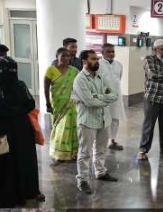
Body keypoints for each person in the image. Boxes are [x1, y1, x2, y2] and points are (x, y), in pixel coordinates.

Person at [0, 57, 44, 206]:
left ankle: (30, 190)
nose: (12, 73)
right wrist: (19, 109)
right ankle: (11, 195)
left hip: (23, 129)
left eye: (14, 69)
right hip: (5, 130)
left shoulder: (20, 84)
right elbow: (0, 109)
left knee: (27, 159)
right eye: (8, 70)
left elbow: (31, 103)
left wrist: (15, 110)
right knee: (9, 163)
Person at [72, 50, 119, 194]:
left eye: (97, 59)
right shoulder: (80, 79)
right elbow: (89, 102)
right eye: (93, 59)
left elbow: (114, 95)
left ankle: (100, 172)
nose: (97, 61)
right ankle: (82, 180)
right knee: (85, 152)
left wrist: (98, 96)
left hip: (104, 119)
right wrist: (104, 99)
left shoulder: (100, 76)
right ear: (84, 61)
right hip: (87, 120)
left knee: (101, 149)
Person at [137, 39, 163, 161]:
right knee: (149, 126)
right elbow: (153, 75)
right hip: (153, 99)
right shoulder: (149, 60)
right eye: (162, 49)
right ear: (155, 50)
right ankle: (142, 150)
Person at [45, 47, 79, 162]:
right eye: (63, 55)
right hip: (57, 102)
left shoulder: (74, 71)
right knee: (58, 127)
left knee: (69, 127)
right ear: (57, 57)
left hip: (71, 103)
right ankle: (58, 152)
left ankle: (71, 152)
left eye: (68, 56)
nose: (66, 58)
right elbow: (46, 87)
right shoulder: (51, 70)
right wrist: (47, 103)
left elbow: (80, 84)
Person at [99, 43, 126, 150]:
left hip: (116, 97)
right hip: (103, 98)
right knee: (102, 119)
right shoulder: (98, 64)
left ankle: (113, 141)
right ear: (102, 53)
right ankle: (101, 142)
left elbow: (118, 79)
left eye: (113, 51)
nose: (111, 53)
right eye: (108, 51)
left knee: (115, 118)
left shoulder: (119, 65)